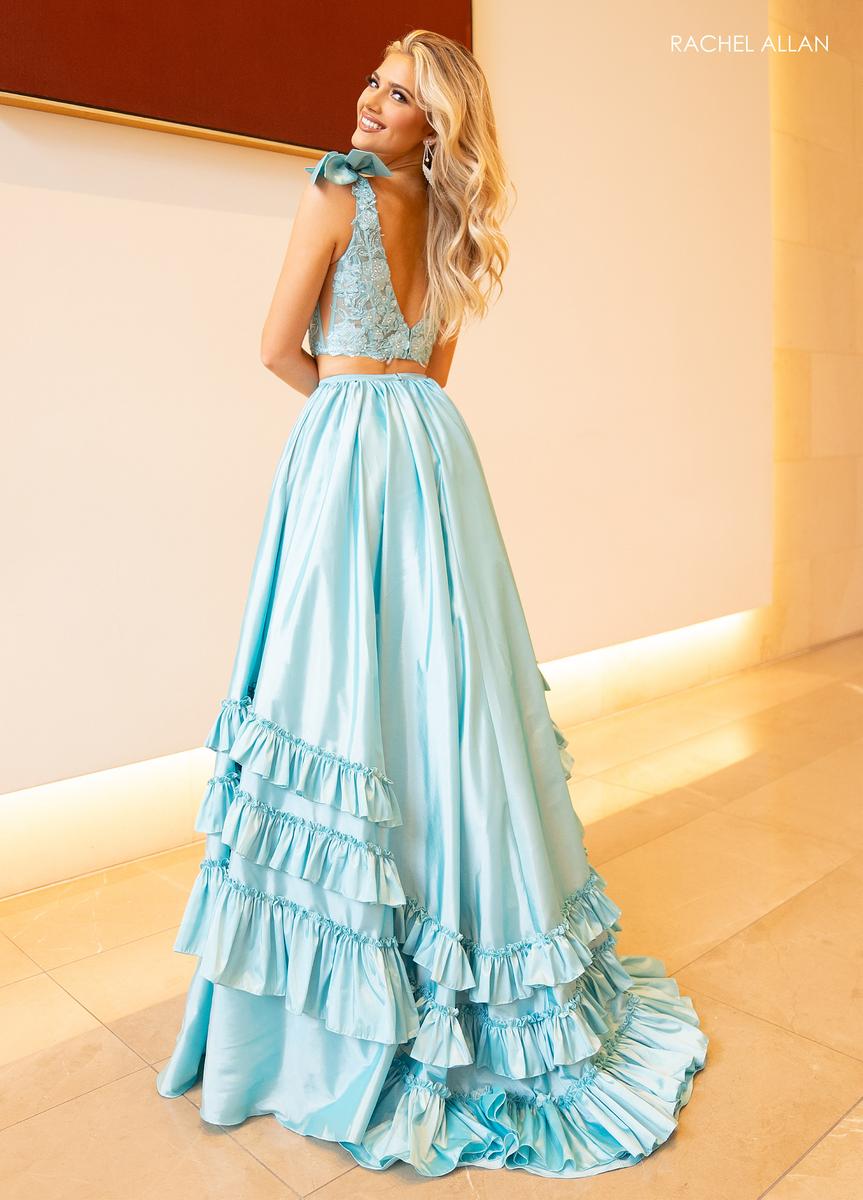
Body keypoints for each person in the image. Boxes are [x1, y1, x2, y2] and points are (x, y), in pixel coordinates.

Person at [156, 29, 708, 1178]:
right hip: (430, 452)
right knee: (442, 696)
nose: (370, 100)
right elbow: (435, 372)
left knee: (334, 693)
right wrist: (384, 403)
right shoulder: (456, 224)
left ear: (434, 124)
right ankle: (455, 939)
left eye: (398, 94)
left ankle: (320, 1021)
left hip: (349, 449)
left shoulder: (332, 191)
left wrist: (342, 407)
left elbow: (274, 348)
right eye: (373, 81)